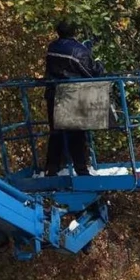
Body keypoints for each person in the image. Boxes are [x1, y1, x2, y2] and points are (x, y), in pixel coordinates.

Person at [44, 21, 105, 176]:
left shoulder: (52, 47)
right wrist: (99, 65)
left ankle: (51, 169)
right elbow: (91, 73)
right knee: (77, 134)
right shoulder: (79, 51)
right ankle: (81, 170)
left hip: (54, 93)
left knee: (56, 132)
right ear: (74, 31)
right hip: (72, 95)